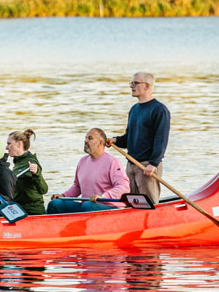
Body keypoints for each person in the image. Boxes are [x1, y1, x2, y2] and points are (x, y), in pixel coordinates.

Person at [109, 71, 170, 203]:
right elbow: (129, 138)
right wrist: (116, 140)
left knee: (148, 203)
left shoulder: (159, 110)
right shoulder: (134, 109)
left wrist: (153, 163)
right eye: (131, 83)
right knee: (132, 203)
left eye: (135, 83)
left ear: (147, 86)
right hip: (131, 164)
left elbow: (161, 139)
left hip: (147, 166)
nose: (131, 86)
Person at [48, 127, 129, 214]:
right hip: (86, 206)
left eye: (90, 138)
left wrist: (103, 196)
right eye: (85, 138)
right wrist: (63, 195)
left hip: (108, 206)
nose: (85, 141)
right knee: (54, 204)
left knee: (87, 206)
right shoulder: (82, 161)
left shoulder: (112, 161)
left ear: (100, 143)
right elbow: (77, 186)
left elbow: (124, 187)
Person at [7, 129, 48, 215]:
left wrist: (36, 174)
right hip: (19, 209)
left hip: (33, 211)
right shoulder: (18, 162)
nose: (6, 147)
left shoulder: (31, 162)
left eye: (9, 144)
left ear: (19, 144)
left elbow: (44, 189)